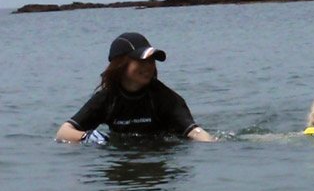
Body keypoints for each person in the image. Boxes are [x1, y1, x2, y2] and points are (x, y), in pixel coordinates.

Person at [56, 32, 214, 143]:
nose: (149, 67)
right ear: (121, 65)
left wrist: (212, 147)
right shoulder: (107, 99)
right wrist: (86, 137)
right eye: (141, 61)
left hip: (159, 153)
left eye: (151, 61)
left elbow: (194, 132)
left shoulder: (165, 97)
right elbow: (63, 132)